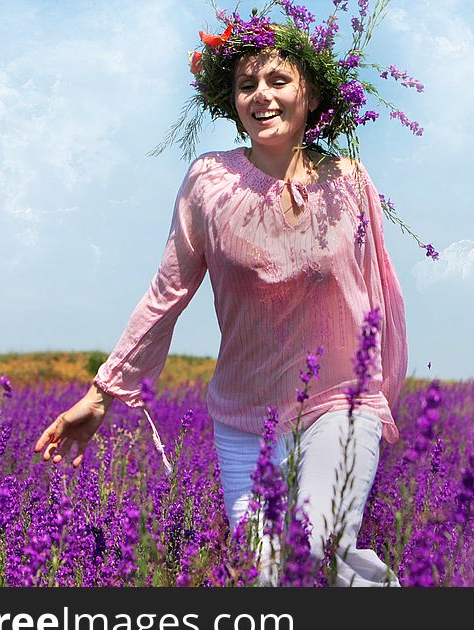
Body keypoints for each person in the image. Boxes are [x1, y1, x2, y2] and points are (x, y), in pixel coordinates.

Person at [34, 8, 423, 587]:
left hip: (340, 400)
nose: (261, 95)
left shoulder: (349, 179)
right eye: (247, 85)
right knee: (267, 575)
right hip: (245, 415)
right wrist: (102, 393)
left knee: (309, 545)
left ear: (310, 94)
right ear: (232, 101)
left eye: (277, 81)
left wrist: (378, 394)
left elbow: (378, 290)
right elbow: (167, 293)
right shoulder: (209, 182)